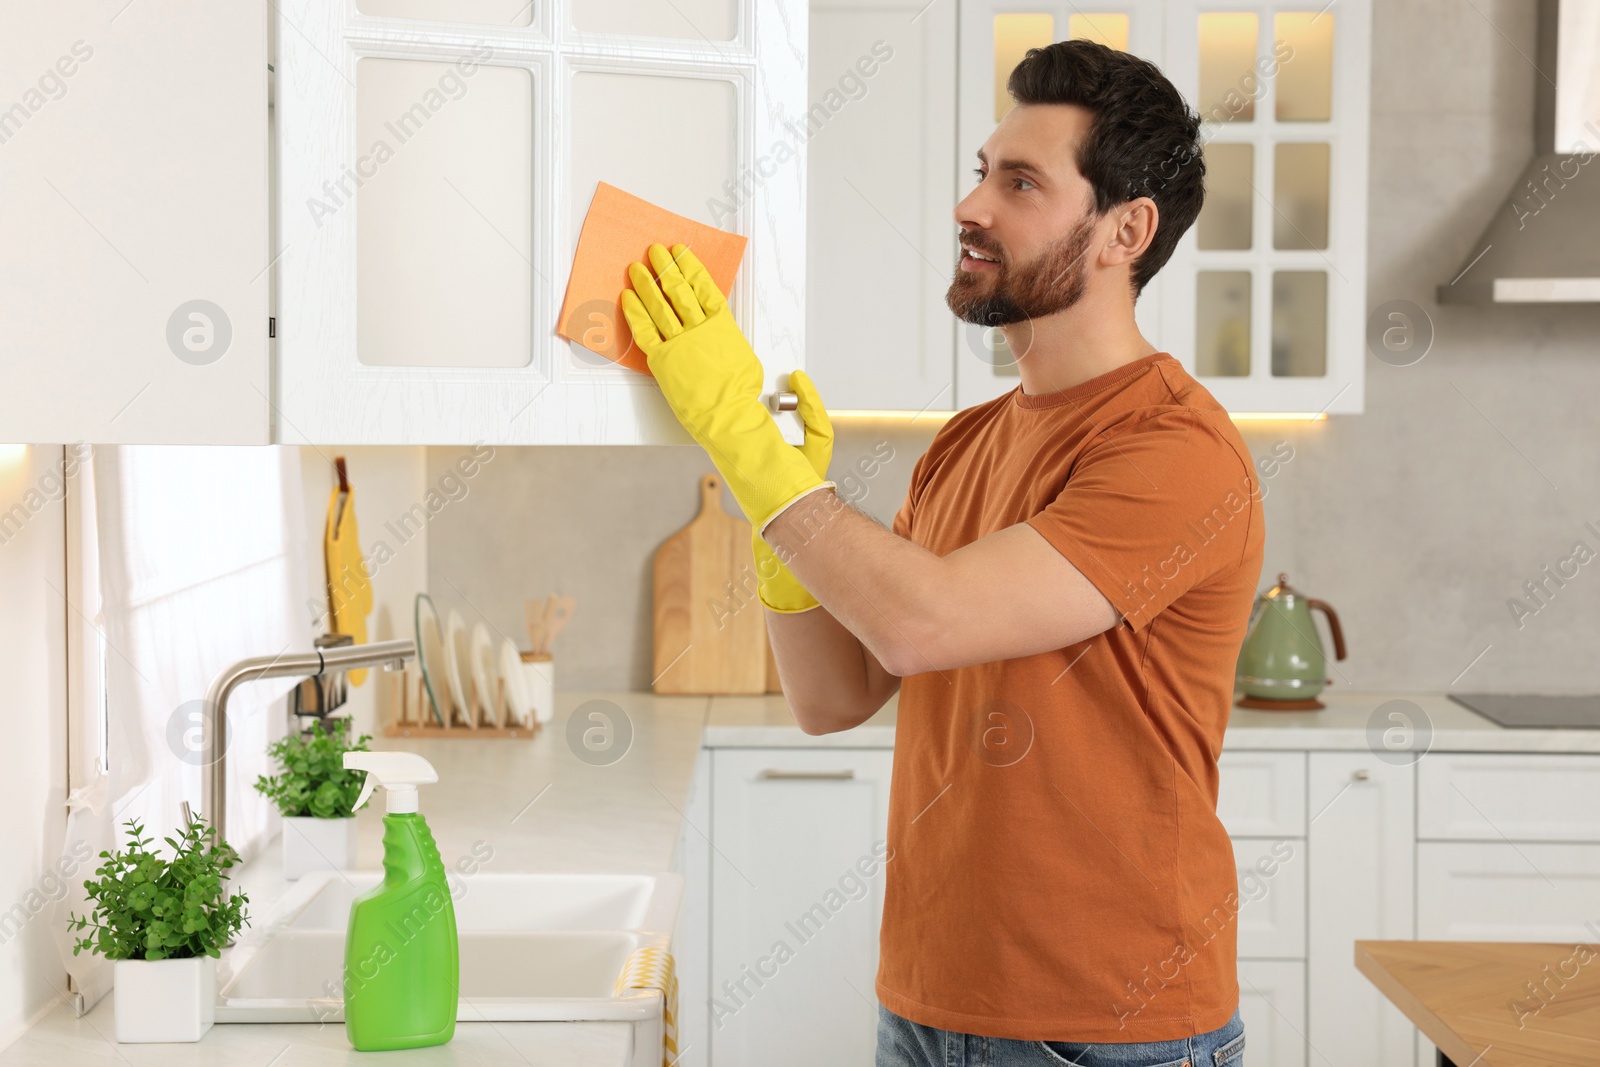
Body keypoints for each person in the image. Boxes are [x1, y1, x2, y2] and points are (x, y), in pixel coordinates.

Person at [620, 36, 1263, 1067]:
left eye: (1020, 182)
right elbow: (833, 695)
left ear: (1124, 231)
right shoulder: (966, 442)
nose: (971, 207)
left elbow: (925, 621)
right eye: (979, 172)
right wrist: (780, 537)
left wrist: (746, 444)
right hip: (925, 999)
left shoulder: (1173, 449)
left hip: (1106, 1028)